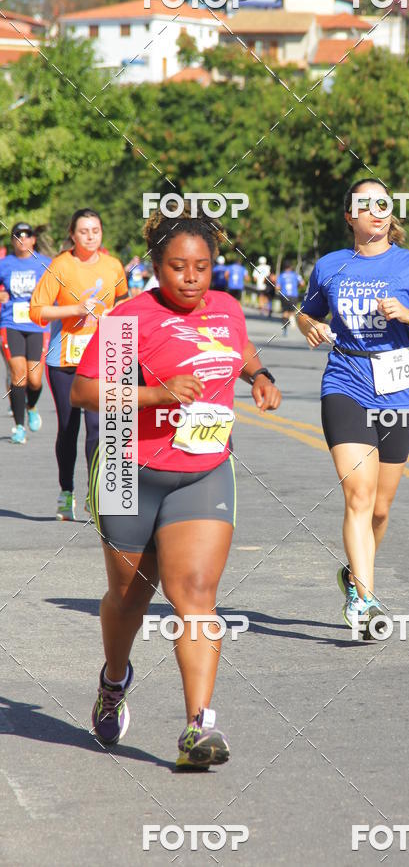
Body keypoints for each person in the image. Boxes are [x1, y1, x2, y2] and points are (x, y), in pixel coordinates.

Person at [71, 207, 281, 768]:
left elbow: (238, 349)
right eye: (178, 267)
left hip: (203, 468)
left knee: (195, 596)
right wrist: (157, 395)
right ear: (156, 268)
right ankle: (114, 680)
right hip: (127, 469)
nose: (191, 277)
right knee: (130, 596)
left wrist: (259, 376)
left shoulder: (229, 310)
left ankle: (199, 726)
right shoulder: (130, 318)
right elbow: (86, 393)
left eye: (202, 267)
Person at [297, 178, 409, 637]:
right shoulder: (330, 267)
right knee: (359, 496)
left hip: (400, 388)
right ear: (349, 216)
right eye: (364, 205)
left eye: (382, 204)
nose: (376, 211)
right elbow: (307, 311)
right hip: (345, 382)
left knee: (380, 510)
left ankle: (353, 573)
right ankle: (365, 599)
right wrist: (307, 323)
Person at [29, 208, 128, 520]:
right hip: (65, 359)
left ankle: (95, 492)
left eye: (95, 230)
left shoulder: (113, 265)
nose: (90, 236)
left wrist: (116, 315)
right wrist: (75, 309)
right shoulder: (61, 264)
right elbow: (37, 311)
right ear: (72, 234)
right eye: (84, 231)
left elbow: (123, 300)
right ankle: (66, 490)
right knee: (69, 428)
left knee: (100, 427)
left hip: (106, 355)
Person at [0, 223, 52, 443]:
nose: (22, 239)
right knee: (18, 375)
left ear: (33, 239)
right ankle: (19, 427)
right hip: (11, 323)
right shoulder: (5, 264)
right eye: (17, 235)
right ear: (12, 240)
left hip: (37, 325)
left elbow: (57, 292)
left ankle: (31, 407)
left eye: (27, 235)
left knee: (35, 379)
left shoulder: (45, 264)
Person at [276, 260, 305, 336]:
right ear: (291, 267)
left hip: (284, 295)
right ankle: (292, 321)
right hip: (293, 295)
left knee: (285, 312)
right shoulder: (295, 275)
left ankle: (285, 329)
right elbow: (302, 283)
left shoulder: (281, 276)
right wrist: (296, 286)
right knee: (292, 311)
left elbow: (277, 287)